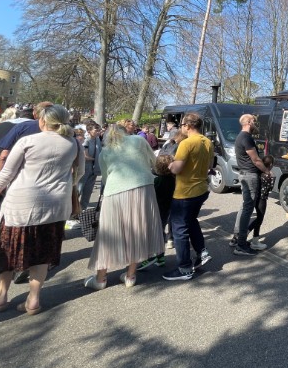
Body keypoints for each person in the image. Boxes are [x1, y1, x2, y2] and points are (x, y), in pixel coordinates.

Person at [0, 104, 84, 315]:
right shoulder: (74, 144)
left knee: (8, 251)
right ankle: (33, 300)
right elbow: (79, 173)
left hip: (21, 205)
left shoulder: (28, 141)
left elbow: (6, 173)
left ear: (43, 121)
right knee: (42, 254)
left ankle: (0, 297)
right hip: (55, 207)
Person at [84, 122, 164, 290]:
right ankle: (130, 276)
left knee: (109, 234)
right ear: (124, 132)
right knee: (138, 230)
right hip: (143, 188)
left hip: (115, 192)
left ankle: (100, 278)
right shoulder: (139, 141)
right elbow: (154, 161)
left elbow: (105, 177)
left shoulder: (105, 151)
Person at [162, 112, 214, 280]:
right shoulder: (207, 142)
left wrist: (170, 164)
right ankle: (202, 252)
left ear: (189, 126)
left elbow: (176, 169)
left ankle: (184, 268)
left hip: (185, 192)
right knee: (191, 221)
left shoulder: (186, 143)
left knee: (179, 229)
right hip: (201, 189)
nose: (181, 127)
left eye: (183, 125)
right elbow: (209, 165)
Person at [232, 114, 271, 256]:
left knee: (245, 207)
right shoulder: (246, 138)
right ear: (248, 122)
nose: (255, 124)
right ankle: (241, 244)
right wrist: (267, 171)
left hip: (245, 174)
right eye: (254, 121)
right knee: (248, 209)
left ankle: (237, 238)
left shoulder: (241, 137)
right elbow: (256, 160)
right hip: (250, 176)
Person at [137, 154, 175, 270]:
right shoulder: (174, 180)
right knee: (161, 231)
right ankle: (160, 258)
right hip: (168, 209)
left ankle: (151, 256)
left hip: (156, 209)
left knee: (152, 233)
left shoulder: (157, 181)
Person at [66, 121, 102, 229]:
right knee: (79, 191)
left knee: (88, 192)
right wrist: (98, 159)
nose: (98, 132)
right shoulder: (86, 140)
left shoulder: (97, 140)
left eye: (99, 130)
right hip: (84, 169)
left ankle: (81, 214)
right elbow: (85, 156)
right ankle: (71, 215)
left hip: (93, 169)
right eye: (96, 130)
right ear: (89, 131)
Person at [245, 154, 274, 250]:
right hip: (262, 199)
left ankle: (249, 234)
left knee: (258, 218)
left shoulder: (258, 173)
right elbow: (269, 189)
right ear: (270, 165)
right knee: (259, 219)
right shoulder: (267, 175)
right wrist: (273, 178)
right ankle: (254, 240)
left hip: (256, 198)